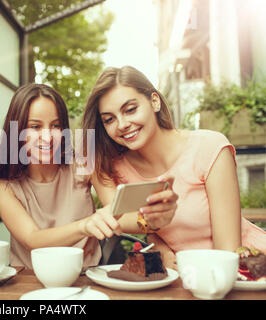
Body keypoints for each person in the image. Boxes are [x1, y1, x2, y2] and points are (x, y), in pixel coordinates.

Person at [81, 65, 266, 263]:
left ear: (154, 101)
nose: (122, 124)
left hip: (248, 269)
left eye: (131, 109)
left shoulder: (209, 147)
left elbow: (227, 254)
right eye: (109, 119)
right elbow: (119, 219)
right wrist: (156, 239)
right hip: (186, 280)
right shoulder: (115, 169)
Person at [0, 83, 178, 269]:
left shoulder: (84, 163)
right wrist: (84, 226)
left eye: (55, 126)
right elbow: (32, 238)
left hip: (86, 276)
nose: (47, 137)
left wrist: (151, 219)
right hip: (28, 281)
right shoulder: (1, 184)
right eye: (35, 127)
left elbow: (119, 213)